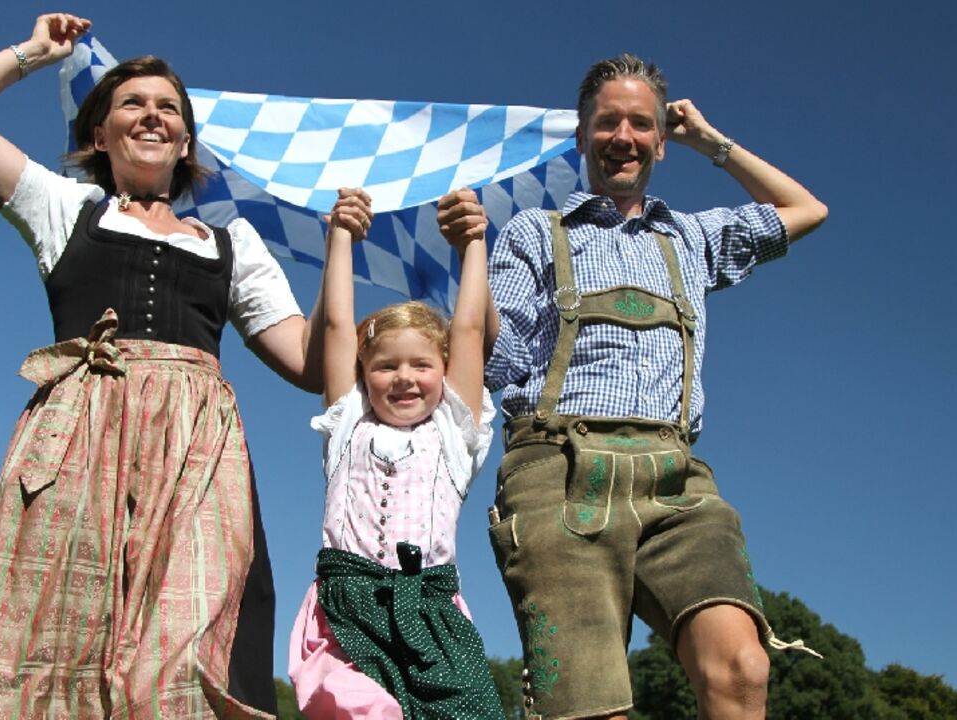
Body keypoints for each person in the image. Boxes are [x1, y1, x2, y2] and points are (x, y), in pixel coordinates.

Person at [0, 14, 368, 719]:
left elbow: (309, 361)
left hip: (197, 451)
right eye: (132, 103)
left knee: (190, 647)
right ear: (99, 135)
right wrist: (34, 54)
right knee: (51, 635)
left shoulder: (233, 244)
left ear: (186, 139)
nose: (152, 115)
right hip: (79, 439)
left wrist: (340, 247)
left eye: (169, 108)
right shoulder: (64, 209)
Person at [480, 54, 829, 720]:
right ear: (581, 137)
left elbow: (804, 208)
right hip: (560, 470)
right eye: (606, 122)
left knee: (743, 666)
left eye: (641, 124)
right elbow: (503, 363)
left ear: (661, 142)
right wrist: (471, 269)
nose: (623, 137)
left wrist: (711, 143)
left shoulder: (692, 237)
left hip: (675, 475)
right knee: (592, 707)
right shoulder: (536, 232)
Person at [286, 188, 505, 719]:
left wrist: (472, 242)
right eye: (386, 366)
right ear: (364, 375)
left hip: (430, 610)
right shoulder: (349, 424)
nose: (404, 377)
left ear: (444, 372)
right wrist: (341, 236)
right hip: (348, 606)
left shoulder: (455, 434)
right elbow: (338, 326)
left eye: (421, 365)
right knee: (364, 710)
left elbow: (470, 328)